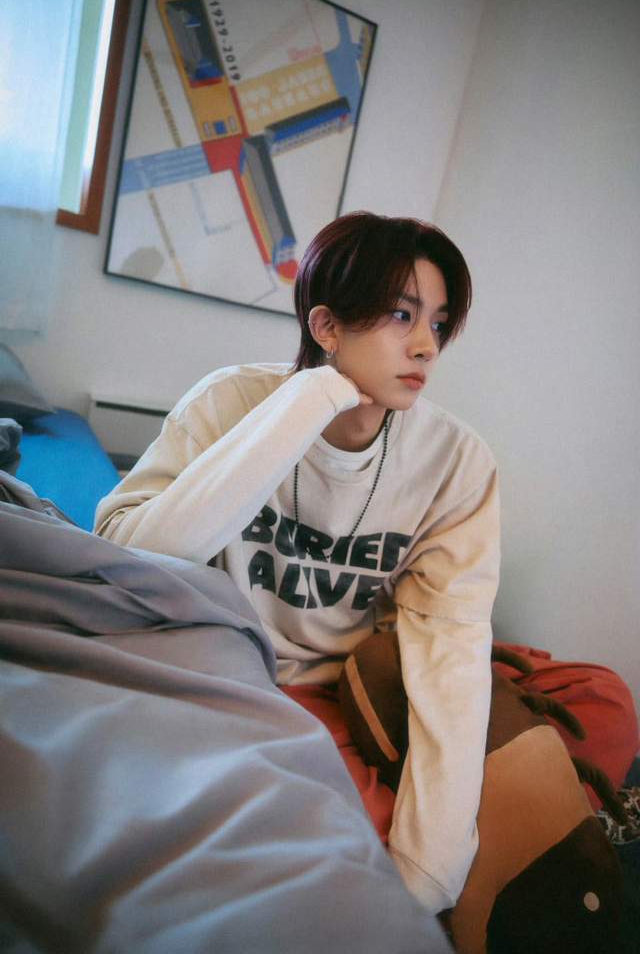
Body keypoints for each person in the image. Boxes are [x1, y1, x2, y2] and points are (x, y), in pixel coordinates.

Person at [95, 211, 501, 914]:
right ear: (326, 326)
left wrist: (429, 871)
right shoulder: (228, 401)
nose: (426, 346)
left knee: (600, 701)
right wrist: (312, 396)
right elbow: (132, 559)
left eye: (437, 323)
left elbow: (453, 647)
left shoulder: (457, 462)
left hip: (343, 687)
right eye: (400, 315)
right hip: (222, 670)